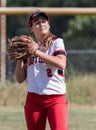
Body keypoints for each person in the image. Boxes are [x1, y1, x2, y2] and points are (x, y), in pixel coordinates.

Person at [15, 9, 68, 130]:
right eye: (37, 23)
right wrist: (20, 59)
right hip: (33, 98)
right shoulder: (27, 47)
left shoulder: (57, 42)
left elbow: (61, 63)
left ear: (49, 25)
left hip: (55, 98)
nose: (41, 24)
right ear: (31, 28)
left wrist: (36, 52)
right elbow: (19, 79)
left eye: (44, 21)